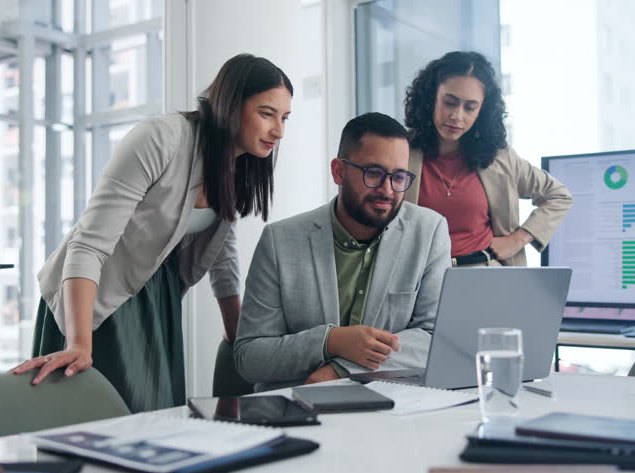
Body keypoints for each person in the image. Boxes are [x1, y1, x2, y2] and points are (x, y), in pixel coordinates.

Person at [11, 54, 293, 412]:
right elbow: (89, 243)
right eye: (267, 114)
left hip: (156, 298)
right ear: (230, 106)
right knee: (105, 426)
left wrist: (238, 332)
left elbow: (221, 248)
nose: (278, 131)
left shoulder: (238, 164)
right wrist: (78, 341)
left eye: (284, 118)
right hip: (93, 293)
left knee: (156, 422)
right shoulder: (162, 138)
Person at [234, 112, 452, 392]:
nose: (387, 190)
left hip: (393, 409)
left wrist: (341, 369)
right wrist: (330, 341)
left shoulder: (430, 231)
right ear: (338, 171)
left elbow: (434, 339)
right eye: (373, 173)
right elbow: (249, 358)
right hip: (297, 408)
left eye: (399, 177)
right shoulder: (280, 240)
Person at [403, 51, 572, 267]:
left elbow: (559, 195)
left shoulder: (500, 157)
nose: (457, 116)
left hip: (486, 276)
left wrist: (518, 239)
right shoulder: (401, 153)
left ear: (482, 110)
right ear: (430, 99)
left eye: (470, 107)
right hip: (420, 278)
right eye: (450, 103)